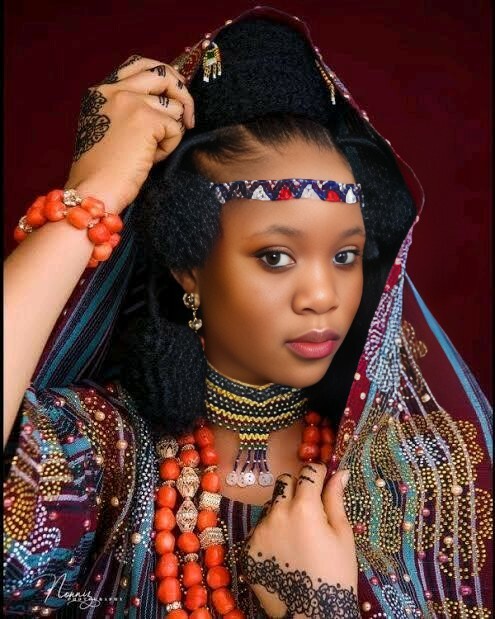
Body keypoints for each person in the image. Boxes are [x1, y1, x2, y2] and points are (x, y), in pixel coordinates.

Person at [3, 6, 492, 618]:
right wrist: (95, 194)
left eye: (345, 255)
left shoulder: (413, 479)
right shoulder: (99, 457)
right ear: (188, 264)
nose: (323, 295)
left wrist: (318, 607)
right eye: (276, 256)